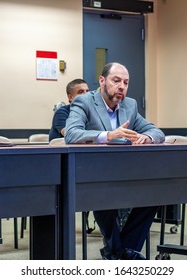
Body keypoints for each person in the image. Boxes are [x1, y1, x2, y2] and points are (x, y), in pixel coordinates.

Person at [65, 62, 165, 260]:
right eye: (116, 81)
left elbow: (156, 131)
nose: (122, 87)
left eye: (126, 83)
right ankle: (122, 252)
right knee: (103, 194)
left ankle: (119, 251)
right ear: (102, 81)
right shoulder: (84, 102)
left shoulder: (130, 105)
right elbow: (71, 134)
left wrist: (148, 137)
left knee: (156, 192)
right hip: (93, 175)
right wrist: (107, 135)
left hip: (126, 172)